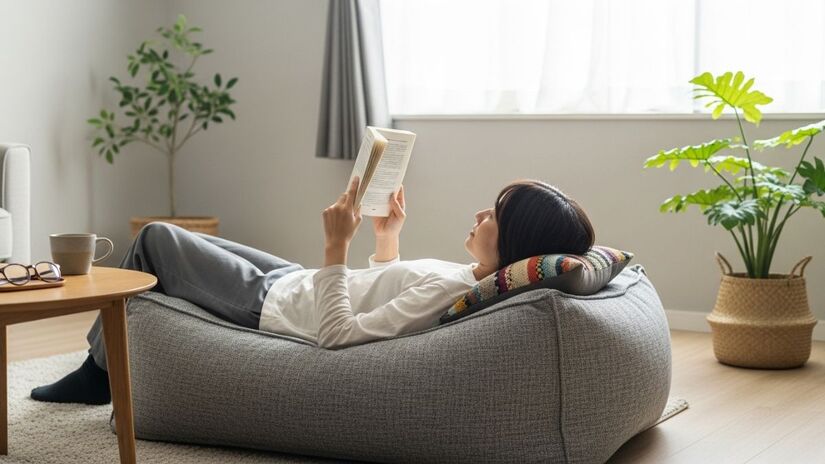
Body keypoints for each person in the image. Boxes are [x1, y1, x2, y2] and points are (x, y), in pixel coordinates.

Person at [30, 177, 594, 405]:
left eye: (493, 214)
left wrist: (336, 246)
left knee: (155, 239)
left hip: (276, 306)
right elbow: (385, 294)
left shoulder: (450, 291)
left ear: (514, 241)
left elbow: (339, 335)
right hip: (295, 283)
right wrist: (386, 240)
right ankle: (100, 365)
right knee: (170, 240)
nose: (478, 214)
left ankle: (97, 374)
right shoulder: (467, 278)